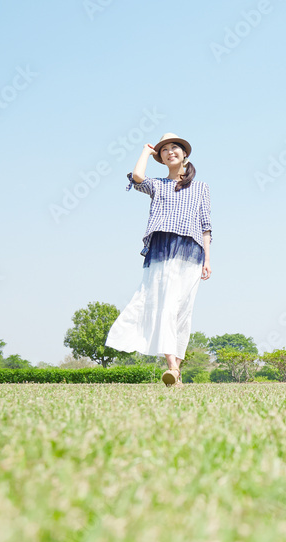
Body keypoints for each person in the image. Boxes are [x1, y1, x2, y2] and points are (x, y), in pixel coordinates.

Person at [105, 133, 213, 387]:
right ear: (160, 158)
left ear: (185, 154)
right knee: (163, 304)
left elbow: (206, 225)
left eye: (175, 148)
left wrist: (208, 259)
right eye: (164, 150)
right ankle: (172, 368)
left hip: (190, 250)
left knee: (182, 311)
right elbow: (138, 177)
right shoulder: (157, 184)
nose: (170, 152)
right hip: (161, 249)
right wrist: (146, 151)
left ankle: (177, 369)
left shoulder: (201, 187)